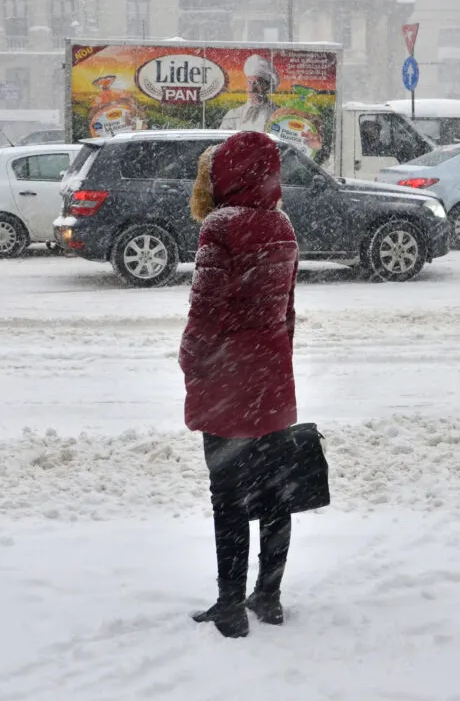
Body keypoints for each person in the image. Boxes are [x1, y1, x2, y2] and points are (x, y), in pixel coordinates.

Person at [180, 131, 300, 639]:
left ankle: (230, 606)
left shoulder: (220, 226)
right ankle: (268, 597)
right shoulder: (282, 225)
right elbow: (288, 312)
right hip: (272, 378)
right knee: (275, 494)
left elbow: (205, 311)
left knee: (227, 498)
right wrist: (275, 360)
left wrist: (190, 360)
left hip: (229, 381)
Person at [219, 55, 280, 133]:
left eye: (257, 83)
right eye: (249, 82)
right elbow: (222, 139)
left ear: (267, 86)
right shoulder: (233, 116)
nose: (252, 88)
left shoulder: (278, 115)